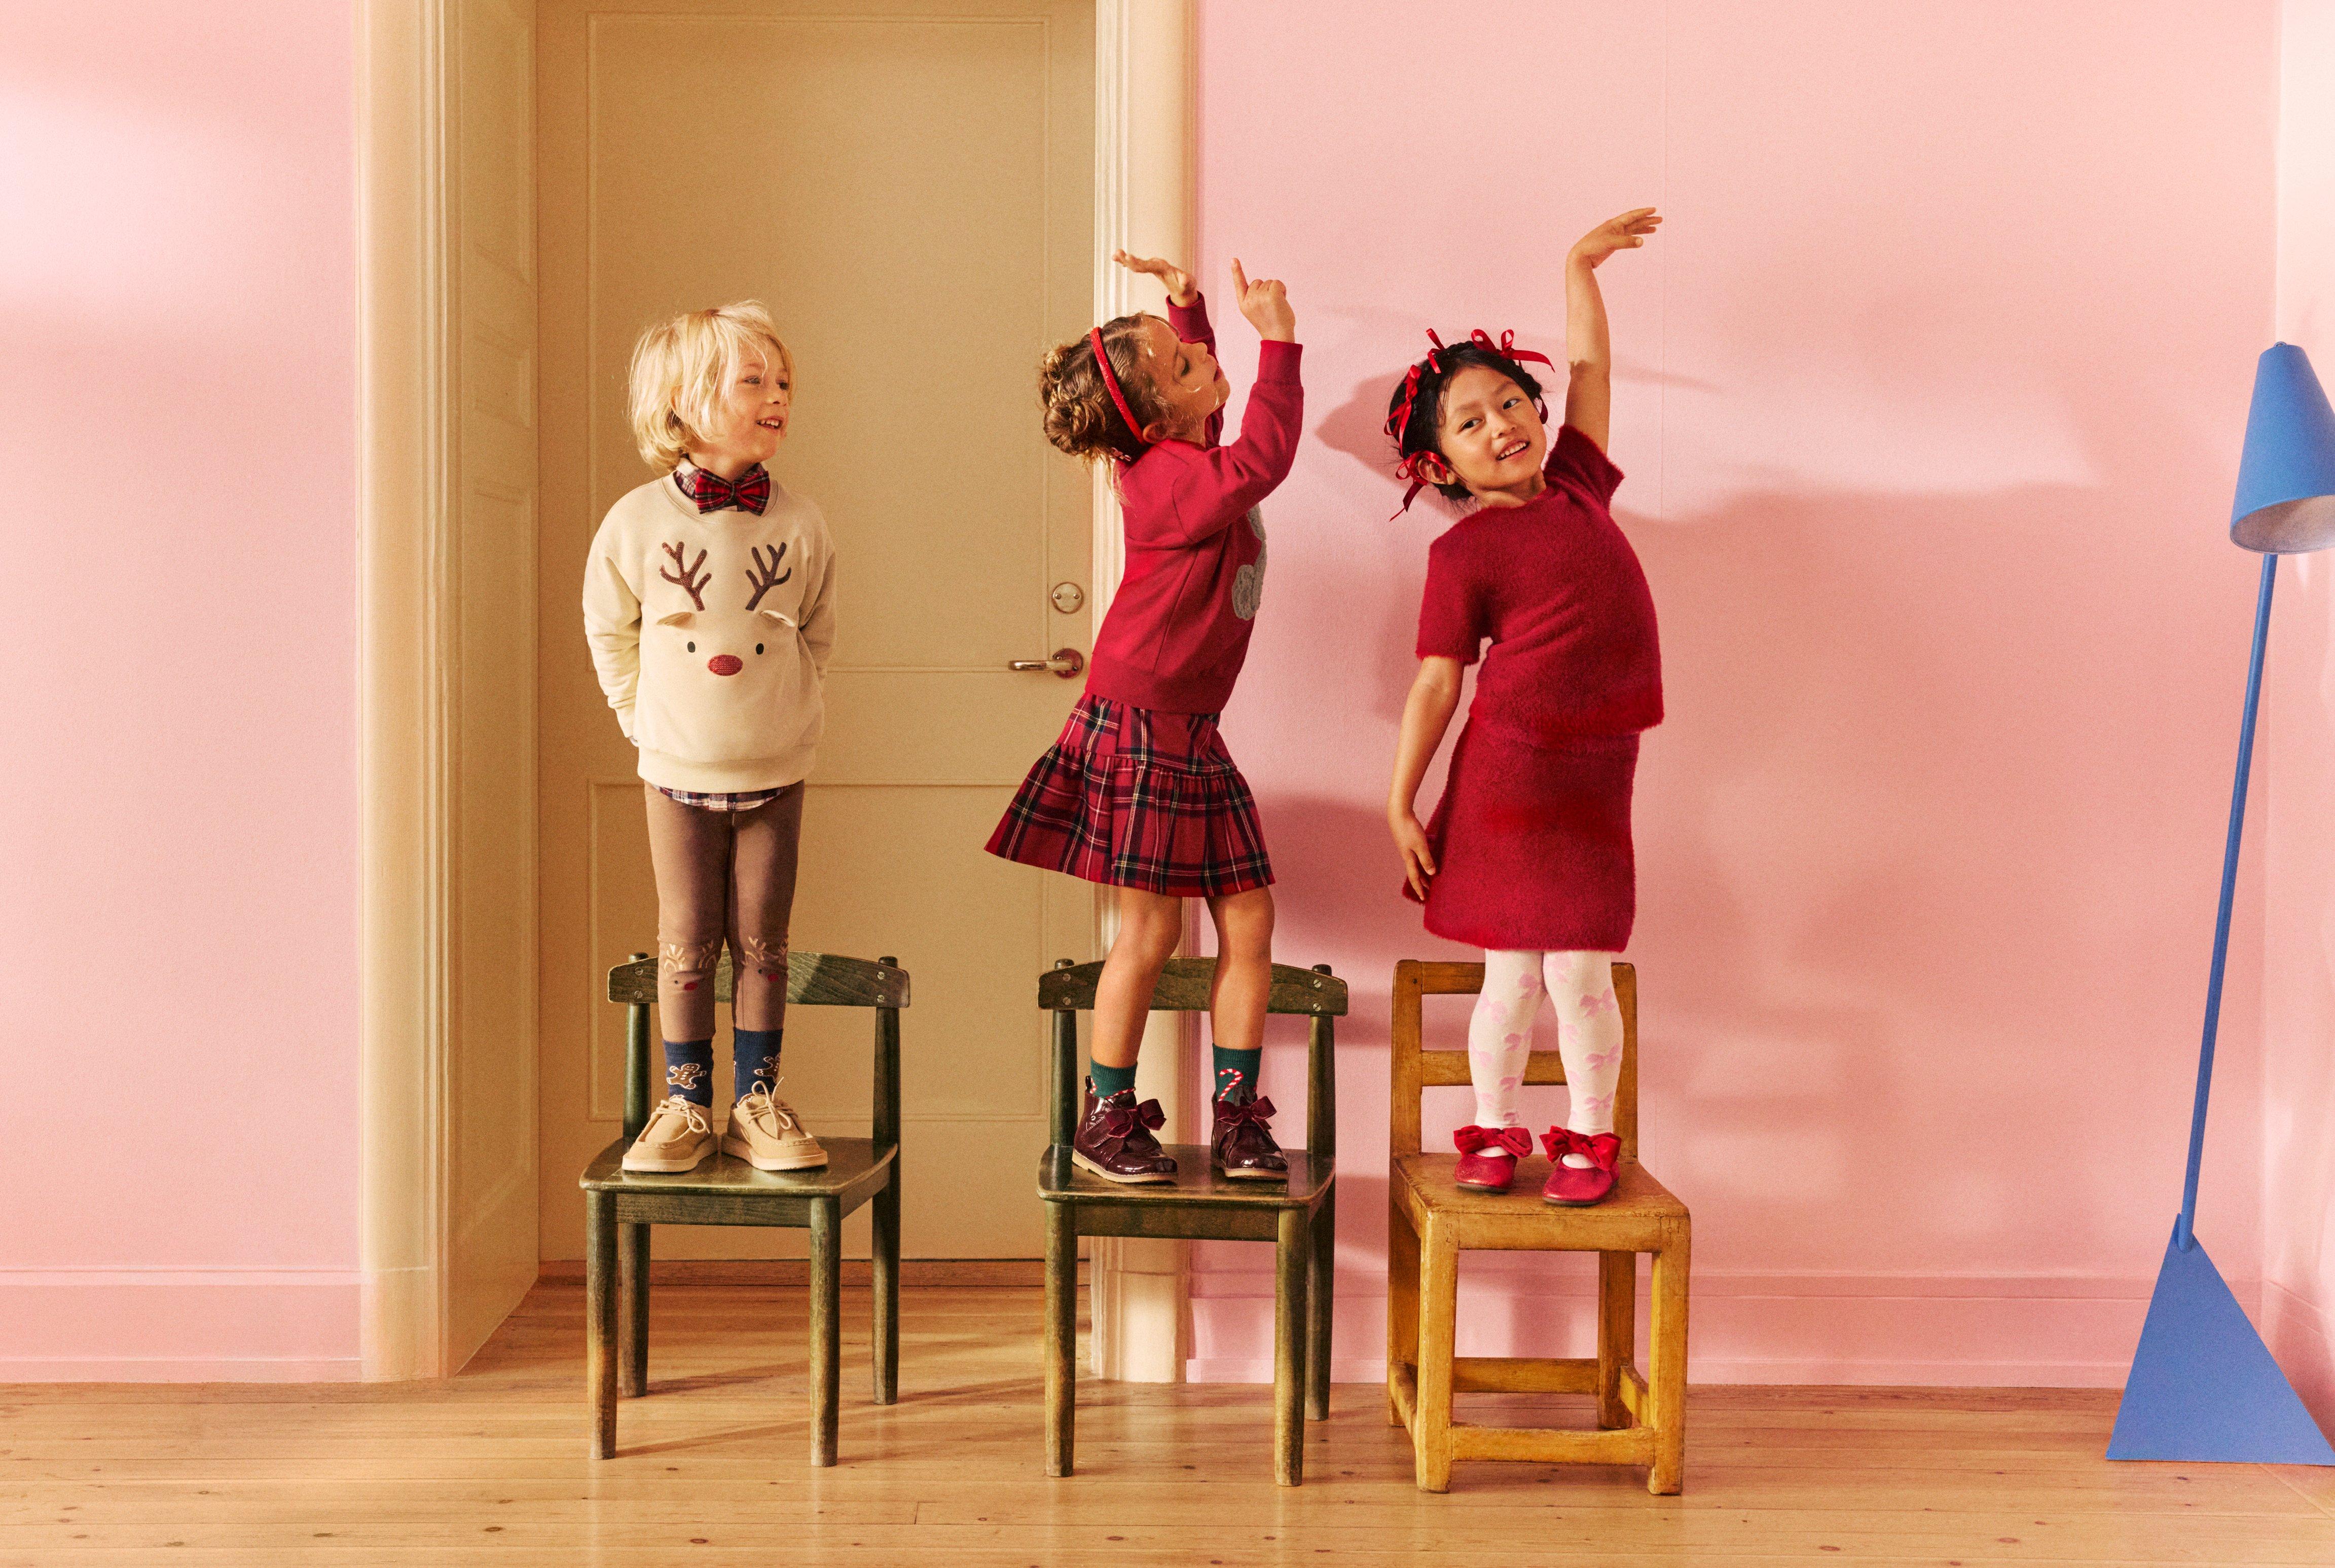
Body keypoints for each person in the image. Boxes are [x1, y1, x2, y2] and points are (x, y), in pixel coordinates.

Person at [988, 249, 1302, 1183]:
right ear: (1161, 415)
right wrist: (1278, 343)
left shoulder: (1176, 450)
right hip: (1140, 721)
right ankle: (1106, 1115)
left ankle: (1238, 1115)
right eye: (1182, 362)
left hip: (1192, 730)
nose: (1203, 362)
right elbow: (1259, 458)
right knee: (1150, 933)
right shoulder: (1167, 479)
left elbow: (1206, 416)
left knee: (1248, 920)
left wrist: (1191, 309)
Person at [1384, 210, 1664, 1204]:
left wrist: (1577, 266)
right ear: (1439, 465)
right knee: (1510, 977)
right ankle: (1491, 1133)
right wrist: (1400, 800)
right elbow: (1434, 682)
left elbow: (1588, 369)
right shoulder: (1459, 555)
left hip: (1594, 779)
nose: (1502, 424)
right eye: (1470, 421)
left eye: (1509, 402)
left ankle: (1590, 1138)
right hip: (1506, 778)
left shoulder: (1578, 488)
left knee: (1580, 976)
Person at [582, 302, 836, 1174]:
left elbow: (817, 634)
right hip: (674, 767)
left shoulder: (801, 523)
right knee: (687, 934)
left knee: (765, 934)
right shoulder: (633, 522)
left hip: (778, 767)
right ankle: (686, 1103)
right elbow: (608, 627)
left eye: (784, 383)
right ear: (684, 403)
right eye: (754, 381)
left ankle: (756, 1100)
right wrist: (638, 717)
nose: (778, 398)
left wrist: (791, 715)